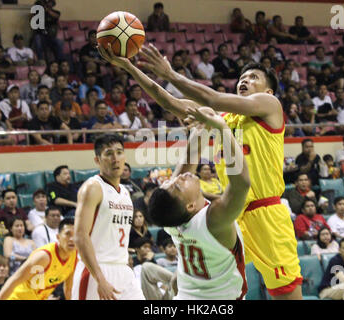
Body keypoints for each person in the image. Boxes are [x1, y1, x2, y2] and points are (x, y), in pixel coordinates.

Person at [99, 43, 302, 299]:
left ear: (269, 90)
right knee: (206, 282)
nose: (245, 80)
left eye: (253, 77)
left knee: (285, 294)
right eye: (242, 77)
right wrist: (129, 67)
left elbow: (212, 98)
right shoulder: (222, 118)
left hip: (266, 213)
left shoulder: (270, 105)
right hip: (232, 214)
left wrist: (171, 74)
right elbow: (170, 102)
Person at [147, 106, 250, 300]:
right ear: (190, 206)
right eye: (177, 185)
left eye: (171, 180)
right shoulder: (213, 220)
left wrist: (204, 124)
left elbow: (189, 157)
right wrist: (221, 128)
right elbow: (241, 183)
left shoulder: (173, 220)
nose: (179, 177)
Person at [72, 134, 145, 300]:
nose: (115, 158)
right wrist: (100, 278)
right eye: (109, 153)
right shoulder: (93, 188)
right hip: (96, 270)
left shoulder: (125, 192)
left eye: (119, 152)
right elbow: (80, 236)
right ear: (97, 160)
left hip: (122, 269)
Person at [0, 219, 76, 300]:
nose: (72, 239)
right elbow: (14, 280)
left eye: (75, 235)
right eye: (68, 234)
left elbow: (68, 289)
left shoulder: (75, 257)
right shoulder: (44, 257)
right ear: (58, 237)